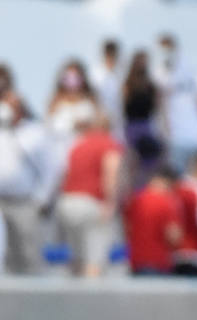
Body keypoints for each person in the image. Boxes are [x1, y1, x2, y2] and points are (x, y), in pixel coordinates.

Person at [0, 85, 59, 274]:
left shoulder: (34, 134)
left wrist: (41, 199)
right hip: (2, 201)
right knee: (6, 256)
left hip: (24, 202)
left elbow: (51, 169)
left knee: (29, 254)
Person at [55, 111, 122, 278]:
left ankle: (72, 300)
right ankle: (91, 302)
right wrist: (110, 202)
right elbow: (110, 175)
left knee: (77, 258)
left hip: (67, 202)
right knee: (94, 259)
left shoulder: (77, 145)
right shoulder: (108, 144)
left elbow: (63, 174)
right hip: (91, 203)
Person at [153, 34, 197, 174]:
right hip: (173, 139)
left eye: (169, 49)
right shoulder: (156, 74)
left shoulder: (189, 70)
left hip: (195, 137)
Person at [124, 165, 185, 275]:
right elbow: (173, 236)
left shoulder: (135, 199)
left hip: (135, 261)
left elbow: (127, 228)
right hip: (159, 262)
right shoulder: (168, 203)